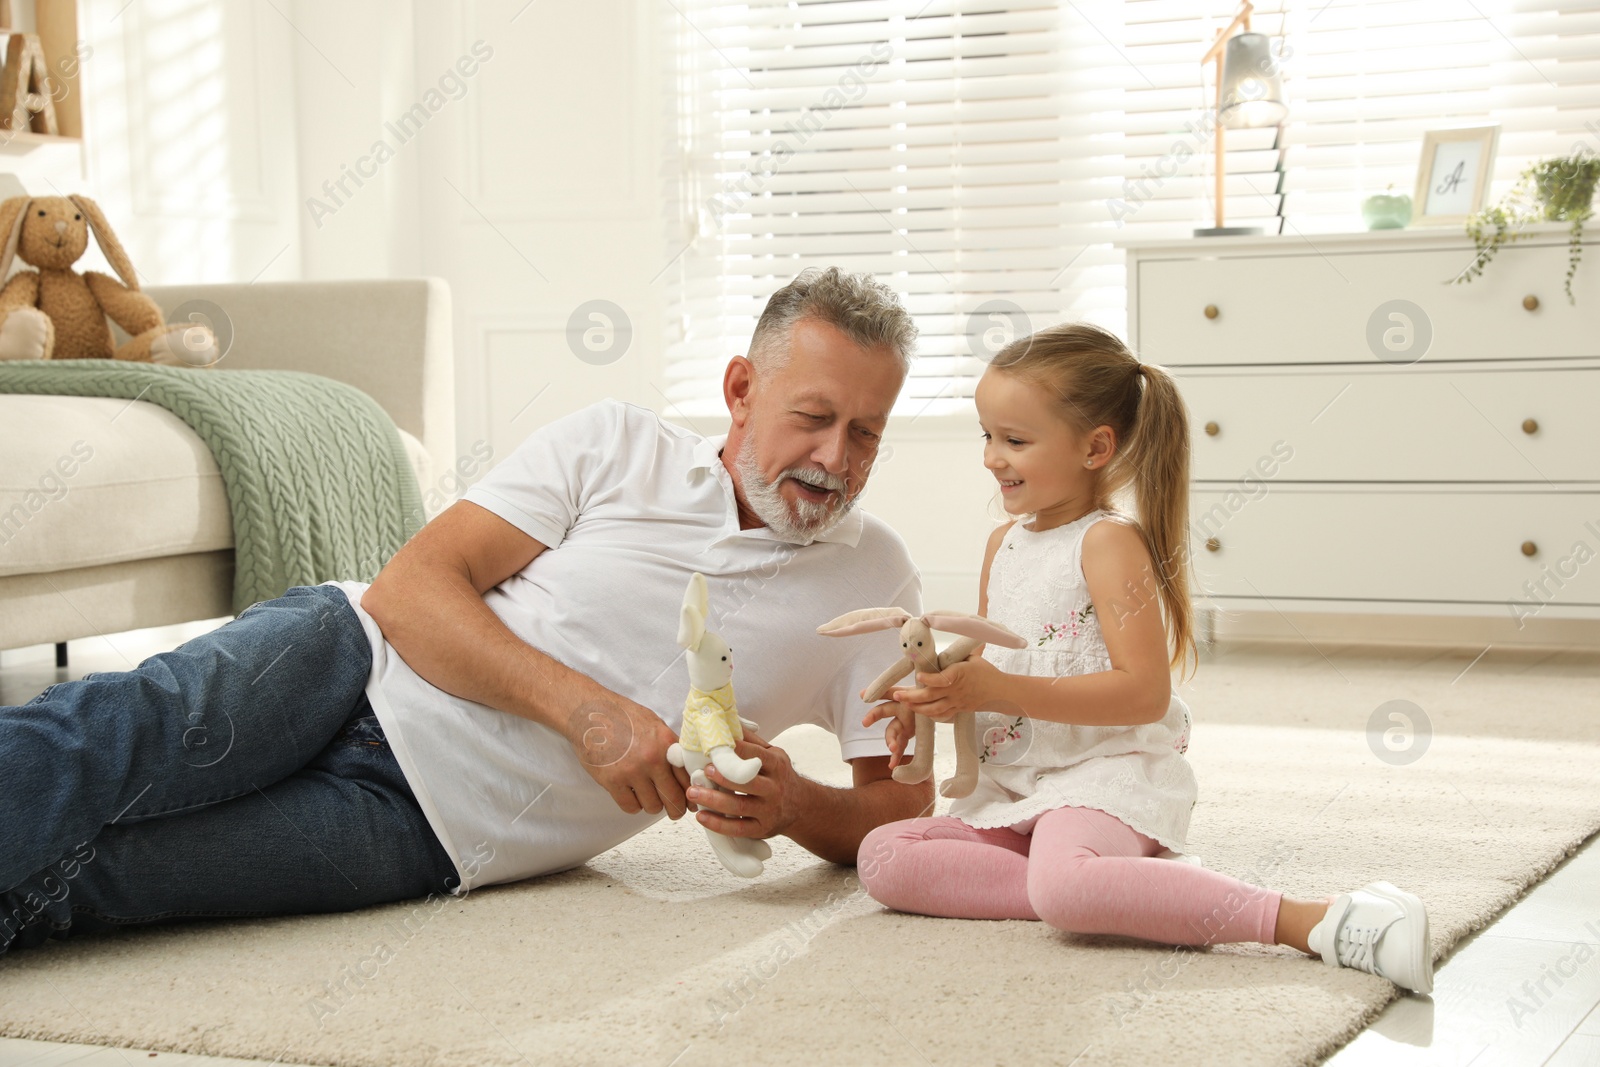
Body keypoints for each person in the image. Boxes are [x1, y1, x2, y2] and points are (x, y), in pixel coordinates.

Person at [0, 266, 935, 954]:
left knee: (98, 878)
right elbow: (413, 587)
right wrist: (588, 711)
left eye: (866, 434)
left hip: (426, 824)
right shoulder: (617, 445)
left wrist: (793, 803)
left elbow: (899, 806)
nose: (835, 457)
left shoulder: (876, 581)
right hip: (349, 656)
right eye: (813, 416)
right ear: (740, 390)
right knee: (95, 747)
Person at [855, 323, 1434, 995]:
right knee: (885, 857)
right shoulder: (1002, 544)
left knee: (1065, 892)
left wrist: (1001, 691)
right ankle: (1131, 889)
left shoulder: (1107, 544)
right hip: (1018, 783)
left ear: (1095, 447)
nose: (992, 457)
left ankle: (1313, 919)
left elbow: (1142, 695)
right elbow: (983, 673)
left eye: (1015, 440)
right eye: (987, 435)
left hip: (1104, 775)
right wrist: (929, 705)